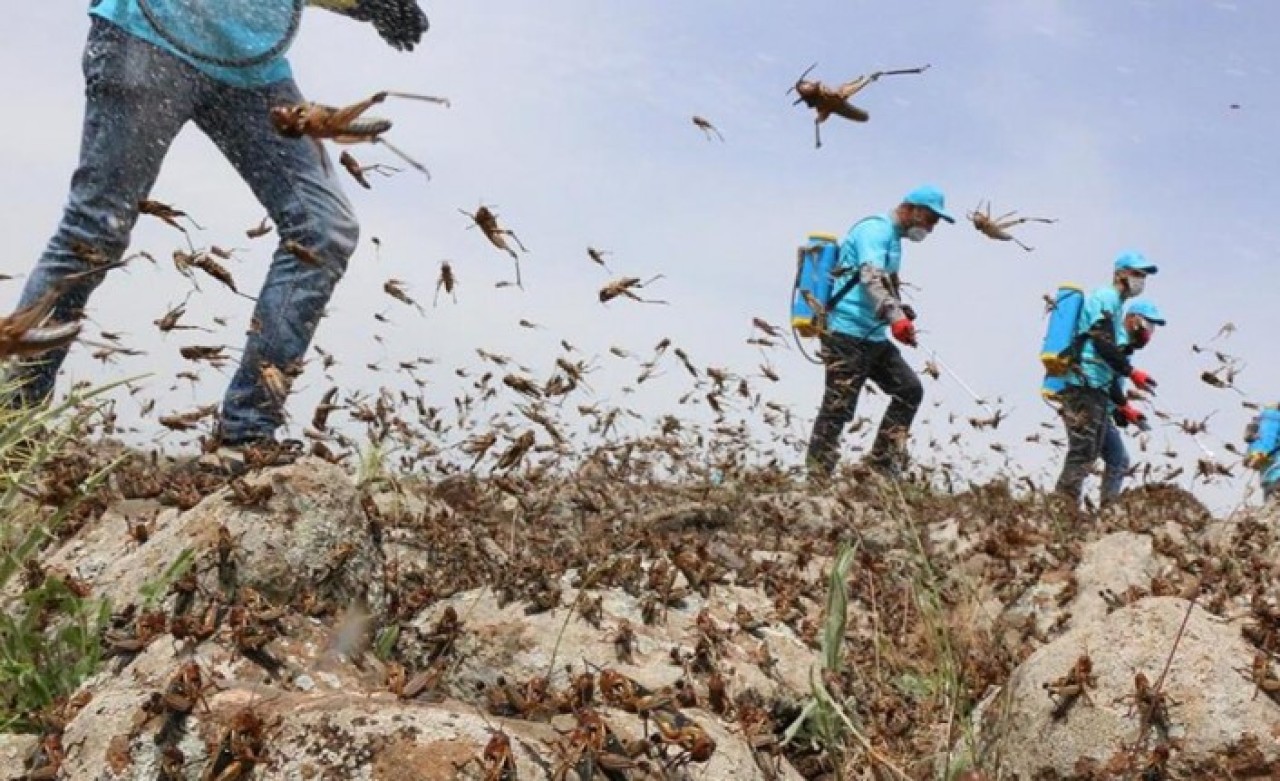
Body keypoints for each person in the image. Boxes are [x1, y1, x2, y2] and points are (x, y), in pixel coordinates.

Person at [1, 0, 427, 467]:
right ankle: (11, 427)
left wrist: (365, 4)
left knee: (323, 230)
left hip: (252, 69)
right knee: (95, 230)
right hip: (146, 35)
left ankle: (245, 436)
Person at [805, 184, 954, 481]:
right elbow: (870, 278)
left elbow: (885, 286)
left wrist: (900, 312)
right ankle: (817, 477)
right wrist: (894, 318)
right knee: (839, 405)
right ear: (913, 209)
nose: (932, 227)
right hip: (845, 332)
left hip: (872, 336)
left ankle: (880, 469)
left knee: (909, 390)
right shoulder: (876, 231)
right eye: (931, 219)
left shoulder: (895, 241)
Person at [1053, 251, 1160, 503]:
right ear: (1120, 273)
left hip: (1095, 387)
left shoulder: (1115, 303)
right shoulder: (1105, 297)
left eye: (1143, 276)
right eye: (1136, 274)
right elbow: (1101, 340)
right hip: (1084, 383)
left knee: (1094, 453)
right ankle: (1061, 506)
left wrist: (1122, 407)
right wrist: (1132, 373)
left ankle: (1075, 505)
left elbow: (1109, 366)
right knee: (1083, 451)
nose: (1140, 280)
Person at [1098, 298, 1166, 505]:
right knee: (1086, 455)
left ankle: (1107, 508)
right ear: (1131, 319)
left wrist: (1121, 410)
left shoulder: (1124, 348)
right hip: (1090, 401)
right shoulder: (1115, 340)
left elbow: (1111, 383)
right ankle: (1067, 505)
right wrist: (1130, 379)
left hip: (1103, 407)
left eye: (1152, 328)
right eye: (1147, 325)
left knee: (1118, 459)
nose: (1148, 333)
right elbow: (1102, 374)